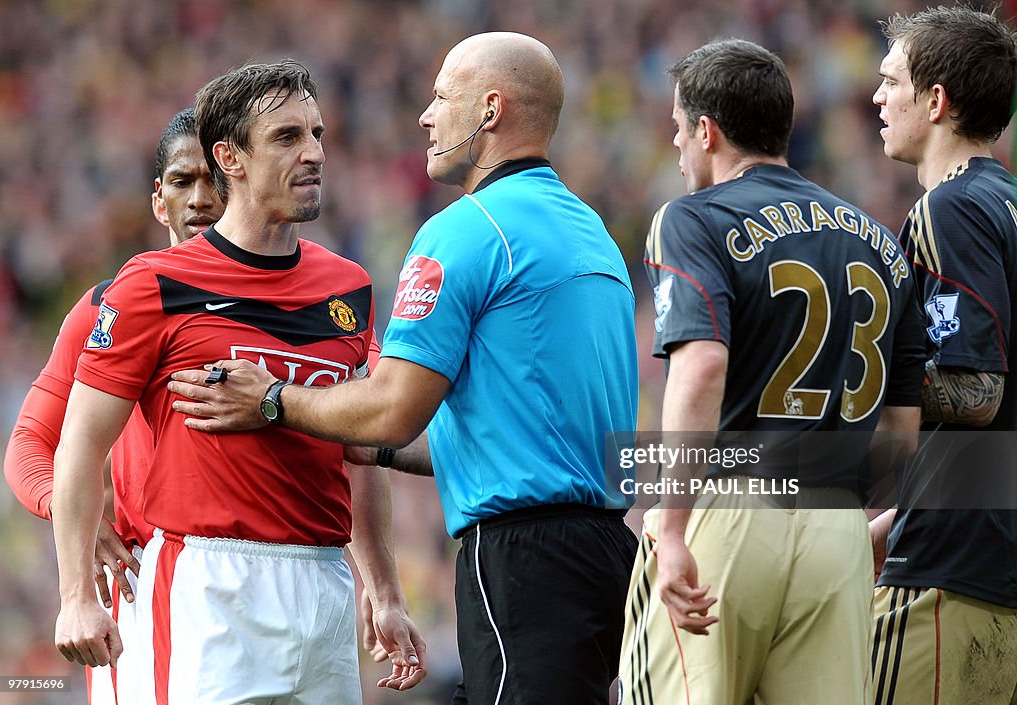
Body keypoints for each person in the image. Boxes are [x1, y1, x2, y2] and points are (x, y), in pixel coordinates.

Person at [168, 32, 640, 705]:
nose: (426, 114)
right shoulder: (591, 231)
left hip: (520, 558)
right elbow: (522, 430)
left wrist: (273, 399)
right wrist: (372, 447)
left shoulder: (464, 229)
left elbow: (393, 405)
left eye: (443, 96)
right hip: (602, 554)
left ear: (490, 110)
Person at [50, 60, 425, 704]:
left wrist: (384, 592)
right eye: (286, 138)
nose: (313, 153)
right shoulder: (152, 284)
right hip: (209, 584)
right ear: (231, 158)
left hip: (325, 582)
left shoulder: (348, 285)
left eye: (317, 133)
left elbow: (361, 454)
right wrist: (76, 598)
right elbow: (79, 444)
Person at [620, 39, 924, 705]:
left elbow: (700, 368)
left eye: (677, 128)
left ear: (707, 131)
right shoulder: (877, 238)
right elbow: (903, 426)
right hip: (839, 526)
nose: (675, 147)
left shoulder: (692, 218)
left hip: (728, 511)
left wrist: (670, 528)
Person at [3, 107, 224, 705]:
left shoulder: (309, 295)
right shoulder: (106, 307)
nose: (201, 199)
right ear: (158, 200)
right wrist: (68, 513)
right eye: (183, 181)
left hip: (280, 585)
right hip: (148, 584)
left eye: (216, 179)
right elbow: (28, 445)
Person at [869, 7, 1017, 704]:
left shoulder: (948, 210)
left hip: (952, 573)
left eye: (891, 80)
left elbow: (979, 392)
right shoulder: (1007, 203)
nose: (877, 97)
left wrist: (860, 378)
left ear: (936, 101)